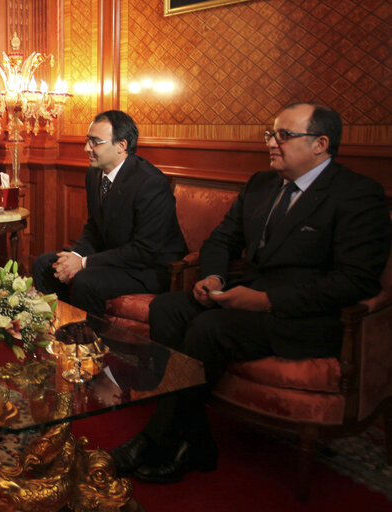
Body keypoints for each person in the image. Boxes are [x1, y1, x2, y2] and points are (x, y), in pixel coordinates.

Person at [110, 102, 392, 484]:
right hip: (246, 297)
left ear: (320, 144)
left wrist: (267, 301)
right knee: (168, 308)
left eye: (284, 136)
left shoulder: (358, 194)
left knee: (208, 330)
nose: (272, 144)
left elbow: (355, 280)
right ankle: (197, 440)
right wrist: (212, 277)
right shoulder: (261, 185)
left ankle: (157, 438)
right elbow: (221, 241)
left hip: (309, 318)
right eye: (270, 135)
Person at [33, 110, 187, 317]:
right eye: (88, 140)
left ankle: (89, 343)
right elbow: (94, 226)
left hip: (150, 269)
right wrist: (76, 256)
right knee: (45, 264)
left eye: (96, 142)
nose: (87, 148)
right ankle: (60, 328)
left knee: (86, 281)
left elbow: (144, 251)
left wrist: (84, 263)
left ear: (121, 146)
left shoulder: (150, 183)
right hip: (114, 258)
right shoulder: (95, 173)